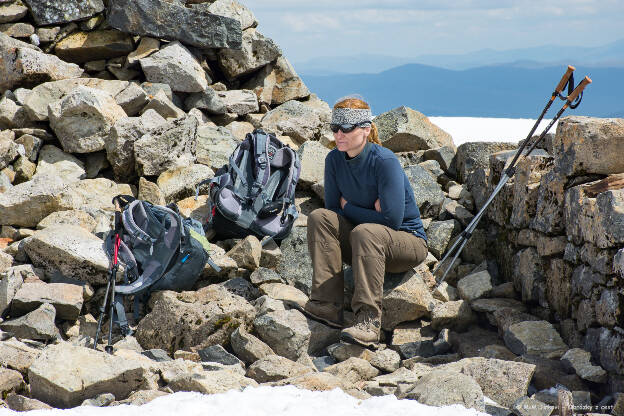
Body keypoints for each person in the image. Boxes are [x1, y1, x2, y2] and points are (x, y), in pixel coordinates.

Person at [301, 96, 428, 348]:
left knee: (366, 232)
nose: (339, 135)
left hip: (407, 242)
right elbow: (334, 212)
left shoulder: (385, 161)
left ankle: (368, 321)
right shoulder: (334, 160)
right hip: (366, 241)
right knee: (320, 218)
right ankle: (327, 305)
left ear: (366, 130)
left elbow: (392, 221)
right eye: (335, 128)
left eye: (346, 128)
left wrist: (351, 207)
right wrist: (365, 211)